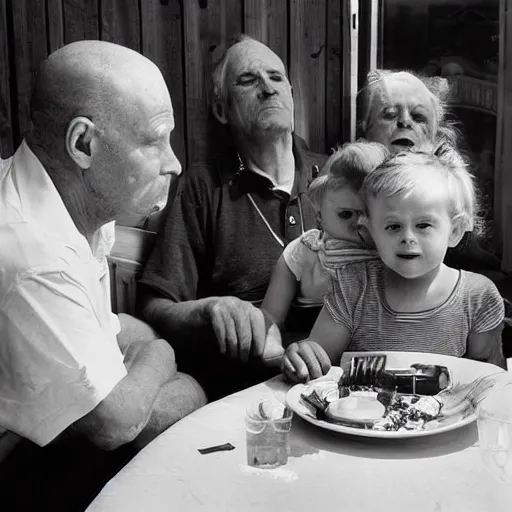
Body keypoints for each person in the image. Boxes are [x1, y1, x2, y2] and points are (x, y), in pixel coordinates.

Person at [0, 40, 206, 511]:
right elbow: (117, 422)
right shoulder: (35, 256)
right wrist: (159, 352)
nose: (174, 163)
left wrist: (139, 362)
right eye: (154, 140)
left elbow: (117, 333)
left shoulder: (76, 210)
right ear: (84, 144)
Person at [138, 34, 327, 399]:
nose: (268, 89)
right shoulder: (202, 187)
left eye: (276, 77)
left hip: (337, 382)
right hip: (245, 394)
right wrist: (209, 310)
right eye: (248, 80)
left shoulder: (335, 176)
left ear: (291, 94)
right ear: (222, 110)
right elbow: (154, 305)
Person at [283, 144, 506, 383]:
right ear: (370, 232)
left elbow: (490, 388)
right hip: (361, 417)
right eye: (393, 226)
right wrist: (301, 358)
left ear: (456, 230)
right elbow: (316, 362)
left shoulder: (477, 298)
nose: (407, 237)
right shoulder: (353, 287)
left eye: (423, 225)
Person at [359, 68, 502, 274]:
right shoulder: (343, 184)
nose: (405, 122)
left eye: (418, 117)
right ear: (365, 129)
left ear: (435, 135)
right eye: (390, 114)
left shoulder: (451, 192)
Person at [261, 141, 388, 330]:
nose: (361, 223)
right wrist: (270, 341)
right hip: (311, 347)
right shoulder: (305, 250)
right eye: (346, 214)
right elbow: (271, 315)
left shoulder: (390, 250)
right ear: (319, 213)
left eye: (371, 214)